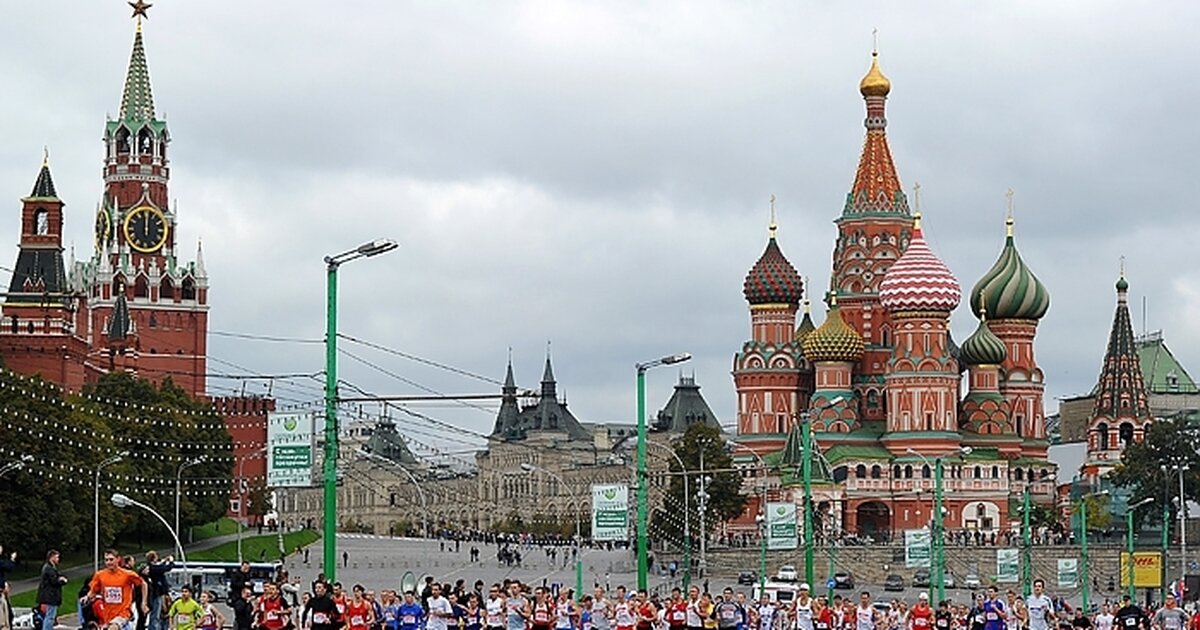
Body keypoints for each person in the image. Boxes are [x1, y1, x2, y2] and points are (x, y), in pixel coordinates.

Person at [89, 548, 149, 630]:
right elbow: (93, 591)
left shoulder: (127, 574)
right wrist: (87, 597)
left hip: (123, 613)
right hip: (108, 614)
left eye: (111, 559)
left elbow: (143, 584)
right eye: (106, 560)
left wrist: (144, 603)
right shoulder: (100, 575)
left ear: (118, 559)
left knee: (113, 628)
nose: (109, 562)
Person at [142, 552, 175, 630]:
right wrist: (171, 562)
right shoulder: (154, 568)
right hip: (157, 594)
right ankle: (153, 628)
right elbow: (165, 568)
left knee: (157, 613)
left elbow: (160, 565)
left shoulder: (151, 567)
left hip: (156, 593)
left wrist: (164, 560)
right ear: (154, 558)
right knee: (156, 614)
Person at [37, 549, 68, 630]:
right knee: (50, 617)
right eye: (57, 557)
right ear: (52, 557)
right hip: (50, 596)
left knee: (50, 616)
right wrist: (62, 580)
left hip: (50, 596)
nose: (58, 559)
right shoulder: (49, 568)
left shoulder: (49, 568)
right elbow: (54, 581)